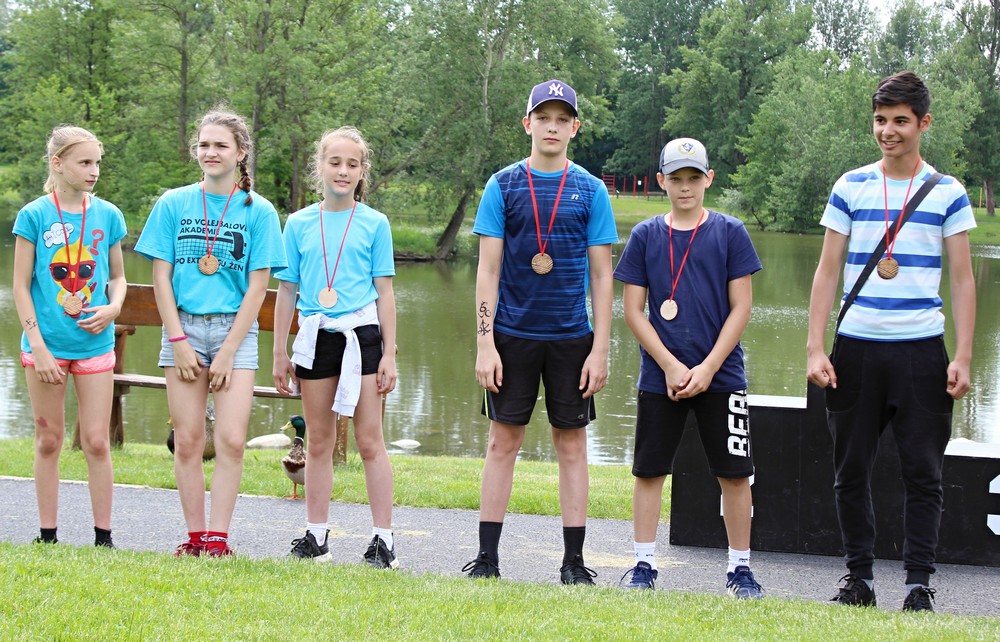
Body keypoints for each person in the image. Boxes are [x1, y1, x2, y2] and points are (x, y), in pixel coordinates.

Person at [806, 71, 976, 612]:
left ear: (923, 123)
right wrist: (815, 347)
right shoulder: (850, 185)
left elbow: (963, 279)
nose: (888, 131)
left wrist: (963, 355)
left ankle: (917, 585)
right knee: (850, 472)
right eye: (880, 120)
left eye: (900, 120)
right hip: (855, 349)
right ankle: (859, 580)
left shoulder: (948, 192)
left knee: (923, 475)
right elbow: (827, 270)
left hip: (921, 351)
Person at [463, 79, 617, 585]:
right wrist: (485, 342)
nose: (552, 127)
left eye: (562, 119)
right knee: (501, 443)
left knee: (571, 446)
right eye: (544, 118)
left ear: (575, 128)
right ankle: (487, 559)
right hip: (512, 335)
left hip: (571, 338)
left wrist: (600, 348)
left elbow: (602, 276)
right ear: (527, 123)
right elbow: (488, 270)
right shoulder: (502, 185)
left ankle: (573, 563)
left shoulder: (591, 190)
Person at [613, 138, 764, 598]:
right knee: (649, 471)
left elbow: (742, 308)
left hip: (723, 376)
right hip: (662, 378)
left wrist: (708, 368)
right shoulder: (645, 236)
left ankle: (740, 570)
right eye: (675, 178)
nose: (685, 187)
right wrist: (671, 365)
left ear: (708, 179)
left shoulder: (730, 231)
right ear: (661, 180)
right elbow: (633, 311)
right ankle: (643, 565)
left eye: (693, 178)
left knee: (735, 474)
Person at [134, 108, 286, 557]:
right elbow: (161, 278)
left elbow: (258, 287)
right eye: (204, 144)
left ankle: (219, 539)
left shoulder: (259, 211)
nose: (211, 152)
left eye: (221, 145)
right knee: (188, 441)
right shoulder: (173, 203)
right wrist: (178, 341)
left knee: (232, 440)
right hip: (182, 330)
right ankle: (195, 537)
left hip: (233, 334)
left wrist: (228, 350)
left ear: (241, 153)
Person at [273, 126, 399, 569]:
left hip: (361, 338)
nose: (343, 171)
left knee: (369, 441)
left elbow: (385, 293)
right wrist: (279, 351)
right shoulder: (298, 223)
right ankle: (316, 536)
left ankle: (383, 541)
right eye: (335, 162)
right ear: (320, 167)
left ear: (362, 171)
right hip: (315, 337)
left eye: (352, 164)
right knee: (319, 440)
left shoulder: (375, 223)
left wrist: (389, 352)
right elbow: (286, 291)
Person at [13, 126, 127, 548]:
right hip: (46, 347)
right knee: (49, 439)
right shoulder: (34, 215)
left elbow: (118, 277)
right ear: (58, 163)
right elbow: (20, 286)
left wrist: (114, 307)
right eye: (85, 162)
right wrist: (38, 347)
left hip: (95, 345)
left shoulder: (109, 215)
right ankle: (48, 535)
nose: (94, 170)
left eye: (97, 162)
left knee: (96, 441)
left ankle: (103, 537)